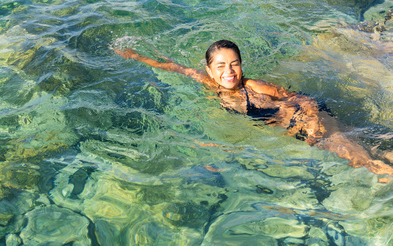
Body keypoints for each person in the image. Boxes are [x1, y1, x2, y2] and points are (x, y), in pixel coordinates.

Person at [115, 39, 393, 180]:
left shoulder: (255, 86)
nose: (229, 71)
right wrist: (135, 56)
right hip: (297, 126)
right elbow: (174, 67)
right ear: (209, 69)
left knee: (352, 153)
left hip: (305, 121)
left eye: (234, 63)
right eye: (221, 65)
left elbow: (299, 98)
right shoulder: (207, 83)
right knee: (363, 144)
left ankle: (382, 173)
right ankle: (383, 159)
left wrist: (313, 124)